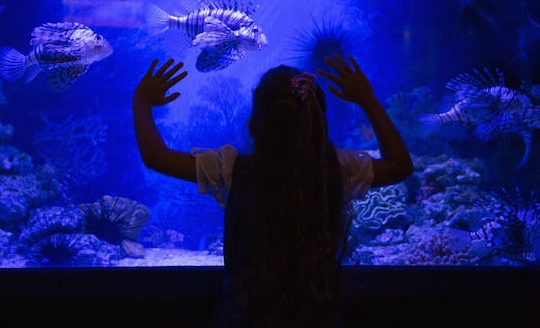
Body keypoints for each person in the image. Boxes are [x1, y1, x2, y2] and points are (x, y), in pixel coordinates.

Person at [132, 54, 414, 328]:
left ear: (253, 125)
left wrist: (142, 102)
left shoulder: (232, 170)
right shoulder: (339, 170)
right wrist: (367, 99)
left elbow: (155, 156)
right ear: (319, 123)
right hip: (318, 315)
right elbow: (400, 165)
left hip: (244, 315)